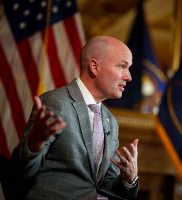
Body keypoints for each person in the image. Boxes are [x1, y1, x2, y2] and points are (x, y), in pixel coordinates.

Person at [11, 36, 139, 199]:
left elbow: (106, 184)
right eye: (122, 66)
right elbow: (21, 171)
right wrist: (34, 142)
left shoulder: (110, 121)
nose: (129, 77)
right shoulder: (56, 103)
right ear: (94, 67)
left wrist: (130, 178)